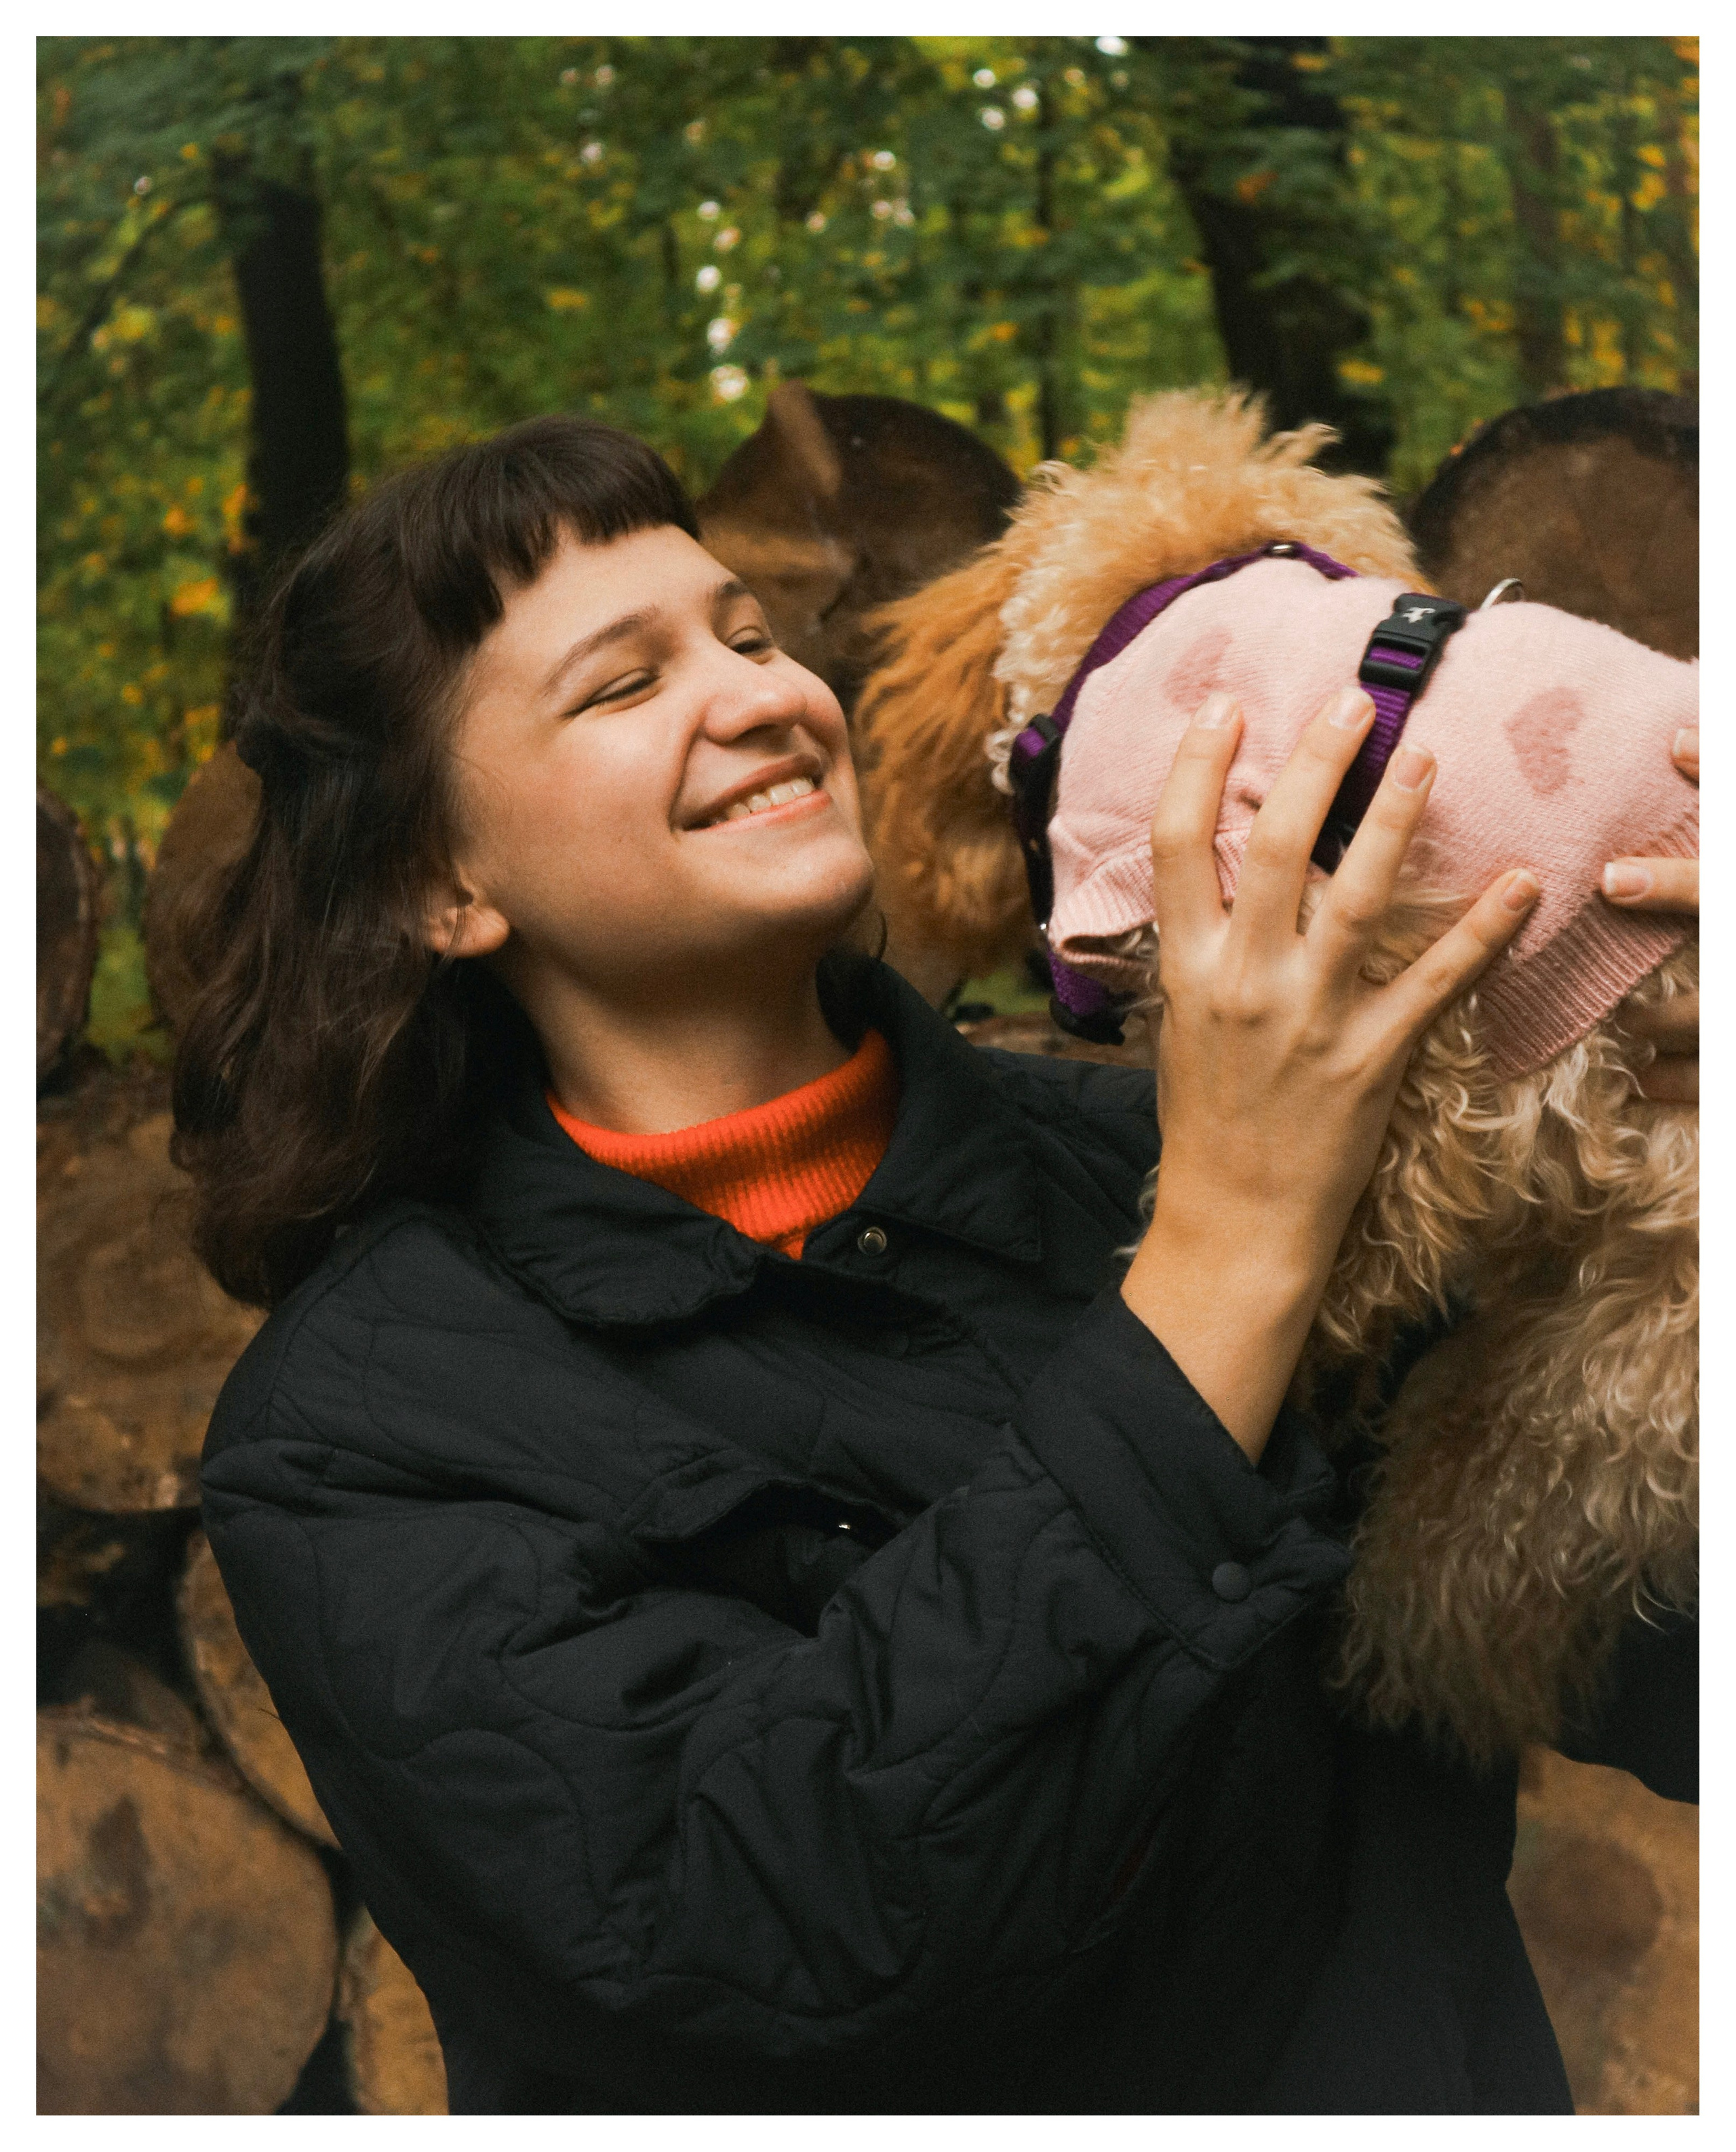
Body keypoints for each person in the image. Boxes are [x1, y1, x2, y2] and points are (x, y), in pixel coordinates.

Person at [182, 416, 1697, 2115]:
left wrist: (1672, 1178)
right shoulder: (360, 1434)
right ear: (436, 881)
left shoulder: (1182, 1148)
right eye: (623, 685)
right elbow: (756, 1945)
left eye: (749, 634)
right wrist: (1224, 1252)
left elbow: (1658, 1657)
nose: (763, 693)